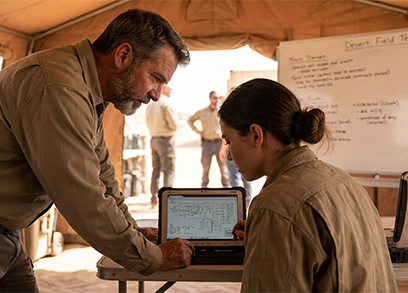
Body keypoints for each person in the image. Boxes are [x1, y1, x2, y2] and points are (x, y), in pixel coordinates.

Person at [0, 9, 195, 292]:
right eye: (156, 78)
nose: (156, 94)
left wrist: (131, 230)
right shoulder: (58, 86)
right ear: (123, 55)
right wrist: (153, 257)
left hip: (2, 232)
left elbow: (101, 172)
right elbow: (83, 197)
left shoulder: (83, 86)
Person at [219, 78, 397, 292]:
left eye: (229, 141)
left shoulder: (274, 207)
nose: (228, 156)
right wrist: (267, 237)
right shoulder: (345, 182)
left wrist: (274, 226)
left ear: (256, 135)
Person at [145, 84, 179, 208]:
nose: (170, 91)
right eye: (169, 88)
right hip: (165, 140)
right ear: (164, 88)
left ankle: (154, 199)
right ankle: (167, 201)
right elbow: (173, 124)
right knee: (168, 170)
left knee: (156, 170)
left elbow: (147, 121)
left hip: (154, 139)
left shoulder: (151, 104)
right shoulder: (166, 103)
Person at [187, 91, 229, 188]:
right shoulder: (202, 112)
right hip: (207, 144)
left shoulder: (221, 112)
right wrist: (198, 131)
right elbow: (190, 120)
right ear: (210, 98)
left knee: (223, 167)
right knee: (206, 167)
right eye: (214, 97)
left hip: (219, 143)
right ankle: (204, 188)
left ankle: (226, 188)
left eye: (218, 97)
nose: (216, 99)